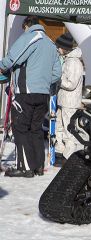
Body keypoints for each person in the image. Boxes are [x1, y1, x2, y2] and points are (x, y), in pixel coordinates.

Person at [0, 16, 61, 177]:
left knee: (20, 128)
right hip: (42, 93)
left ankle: (25, 167)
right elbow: (57, 73)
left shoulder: (31, 36)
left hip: (25, 92)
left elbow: (14, 57)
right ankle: (37, 166)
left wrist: (2, 66)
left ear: (27, 25)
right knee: (35, 130)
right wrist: (43, 82)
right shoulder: (50, 43)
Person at [54, 32, 84, 161]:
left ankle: (68, 155)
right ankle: (60, 150)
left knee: (68, 129)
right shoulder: (68, 60)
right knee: (60, 126)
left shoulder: (73, 62)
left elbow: (71, 84)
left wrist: (58, 80)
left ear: (64, 48)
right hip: (64, 100)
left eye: (58, 47)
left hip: (70, 102)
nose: (57, 49)